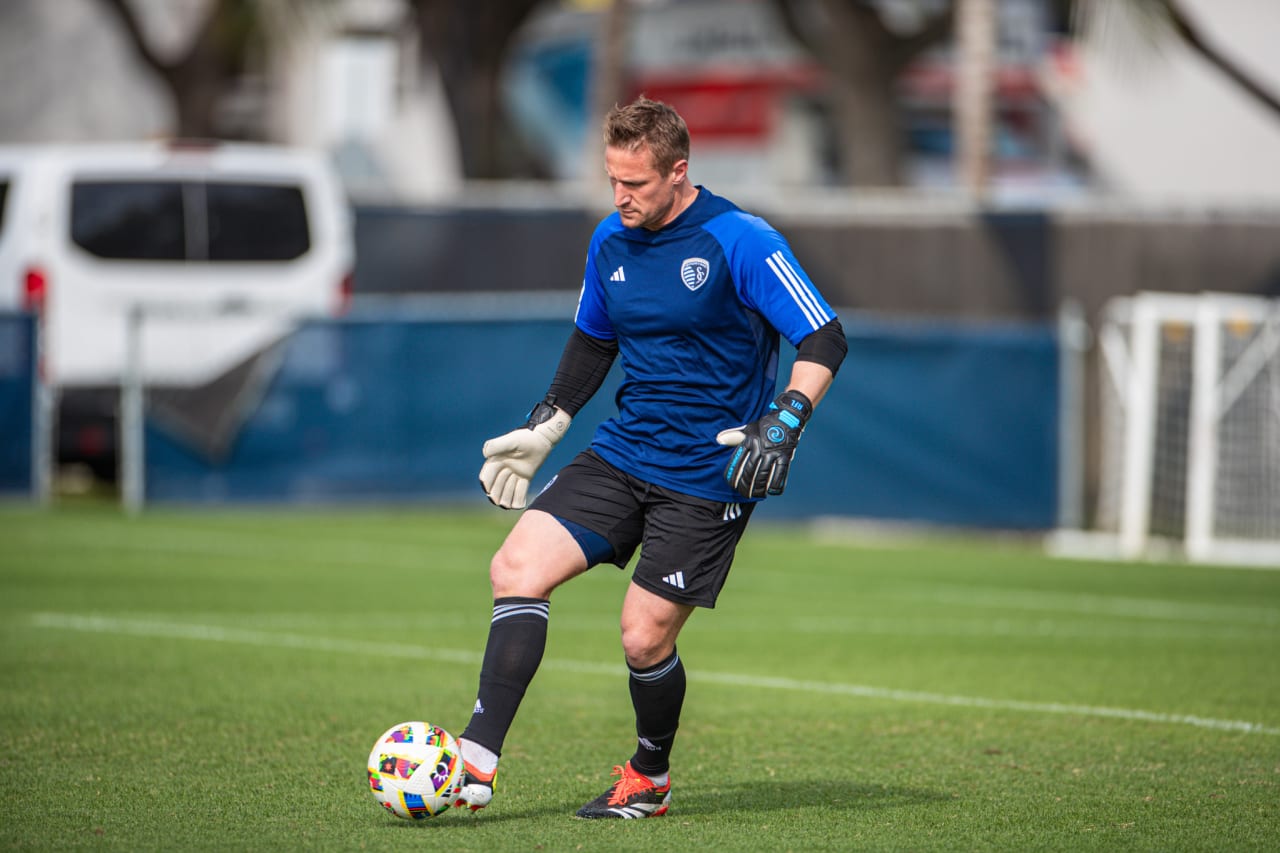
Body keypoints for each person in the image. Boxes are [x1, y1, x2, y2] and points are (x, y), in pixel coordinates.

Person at [454, 96, 847, 819]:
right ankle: (474, 762)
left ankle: (650, 775)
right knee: (514, 566)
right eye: (612, 180)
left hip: (706, 474)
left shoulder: (741, 239)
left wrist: (785, 419)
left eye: (635, 183)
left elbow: (823, 338)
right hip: (623, 452)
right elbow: (593, 340)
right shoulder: (610, 239)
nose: (621, 197)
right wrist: (547, 423)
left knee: (642, 636)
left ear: (678, 172)